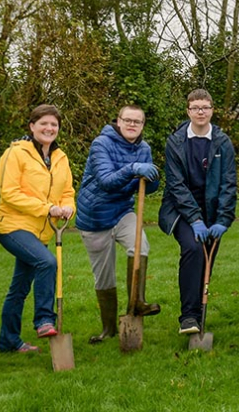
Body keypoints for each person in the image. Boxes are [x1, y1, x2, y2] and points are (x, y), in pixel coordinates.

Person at [75, 105, 161, 345]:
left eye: (138, 121)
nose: (132, 124)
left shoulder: (144, 148)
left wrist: (152, 179)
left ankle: (137, 303)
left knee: (140, 245)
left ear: (143, 125)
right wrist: (134, 168)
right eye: (128, 120)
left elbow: (143, 186)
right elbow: (106, 181)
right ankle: (108, 329)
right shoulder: (101, 144)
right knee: (104, 276)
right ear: (118, 121)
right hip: (95, 217)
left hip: (123, 212)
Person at [0, 104, 76, 353]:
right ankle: (44, 319)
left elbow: (67, 191)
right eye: (44, 124)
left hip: (42, 232)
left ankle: (8, 341)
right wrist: (47, 208)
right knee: (47, 263)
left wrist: (67, 207)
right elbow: (9, 193)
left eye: (54, 125)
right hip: (13, 226)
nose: (49, 128)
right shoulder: (16, 153)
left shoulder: (60, 158)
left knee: (19, 288)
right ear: (32, 126)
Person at [158, 89, 237, 335]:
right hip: (181, 209)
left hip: (212, 211)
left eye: (205, 107)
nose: (200, 112)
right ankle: (188, 317)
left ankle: (199, 316)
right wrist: (195, 219)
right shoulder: (176, 142)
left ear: (212, 110)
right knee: (193, 249)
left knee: (207, 260)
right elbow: (176, 185)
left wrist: (223, 219)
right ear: (188, 111)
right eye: (195, 108)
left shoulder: (223, 142)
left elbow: (228, 183)